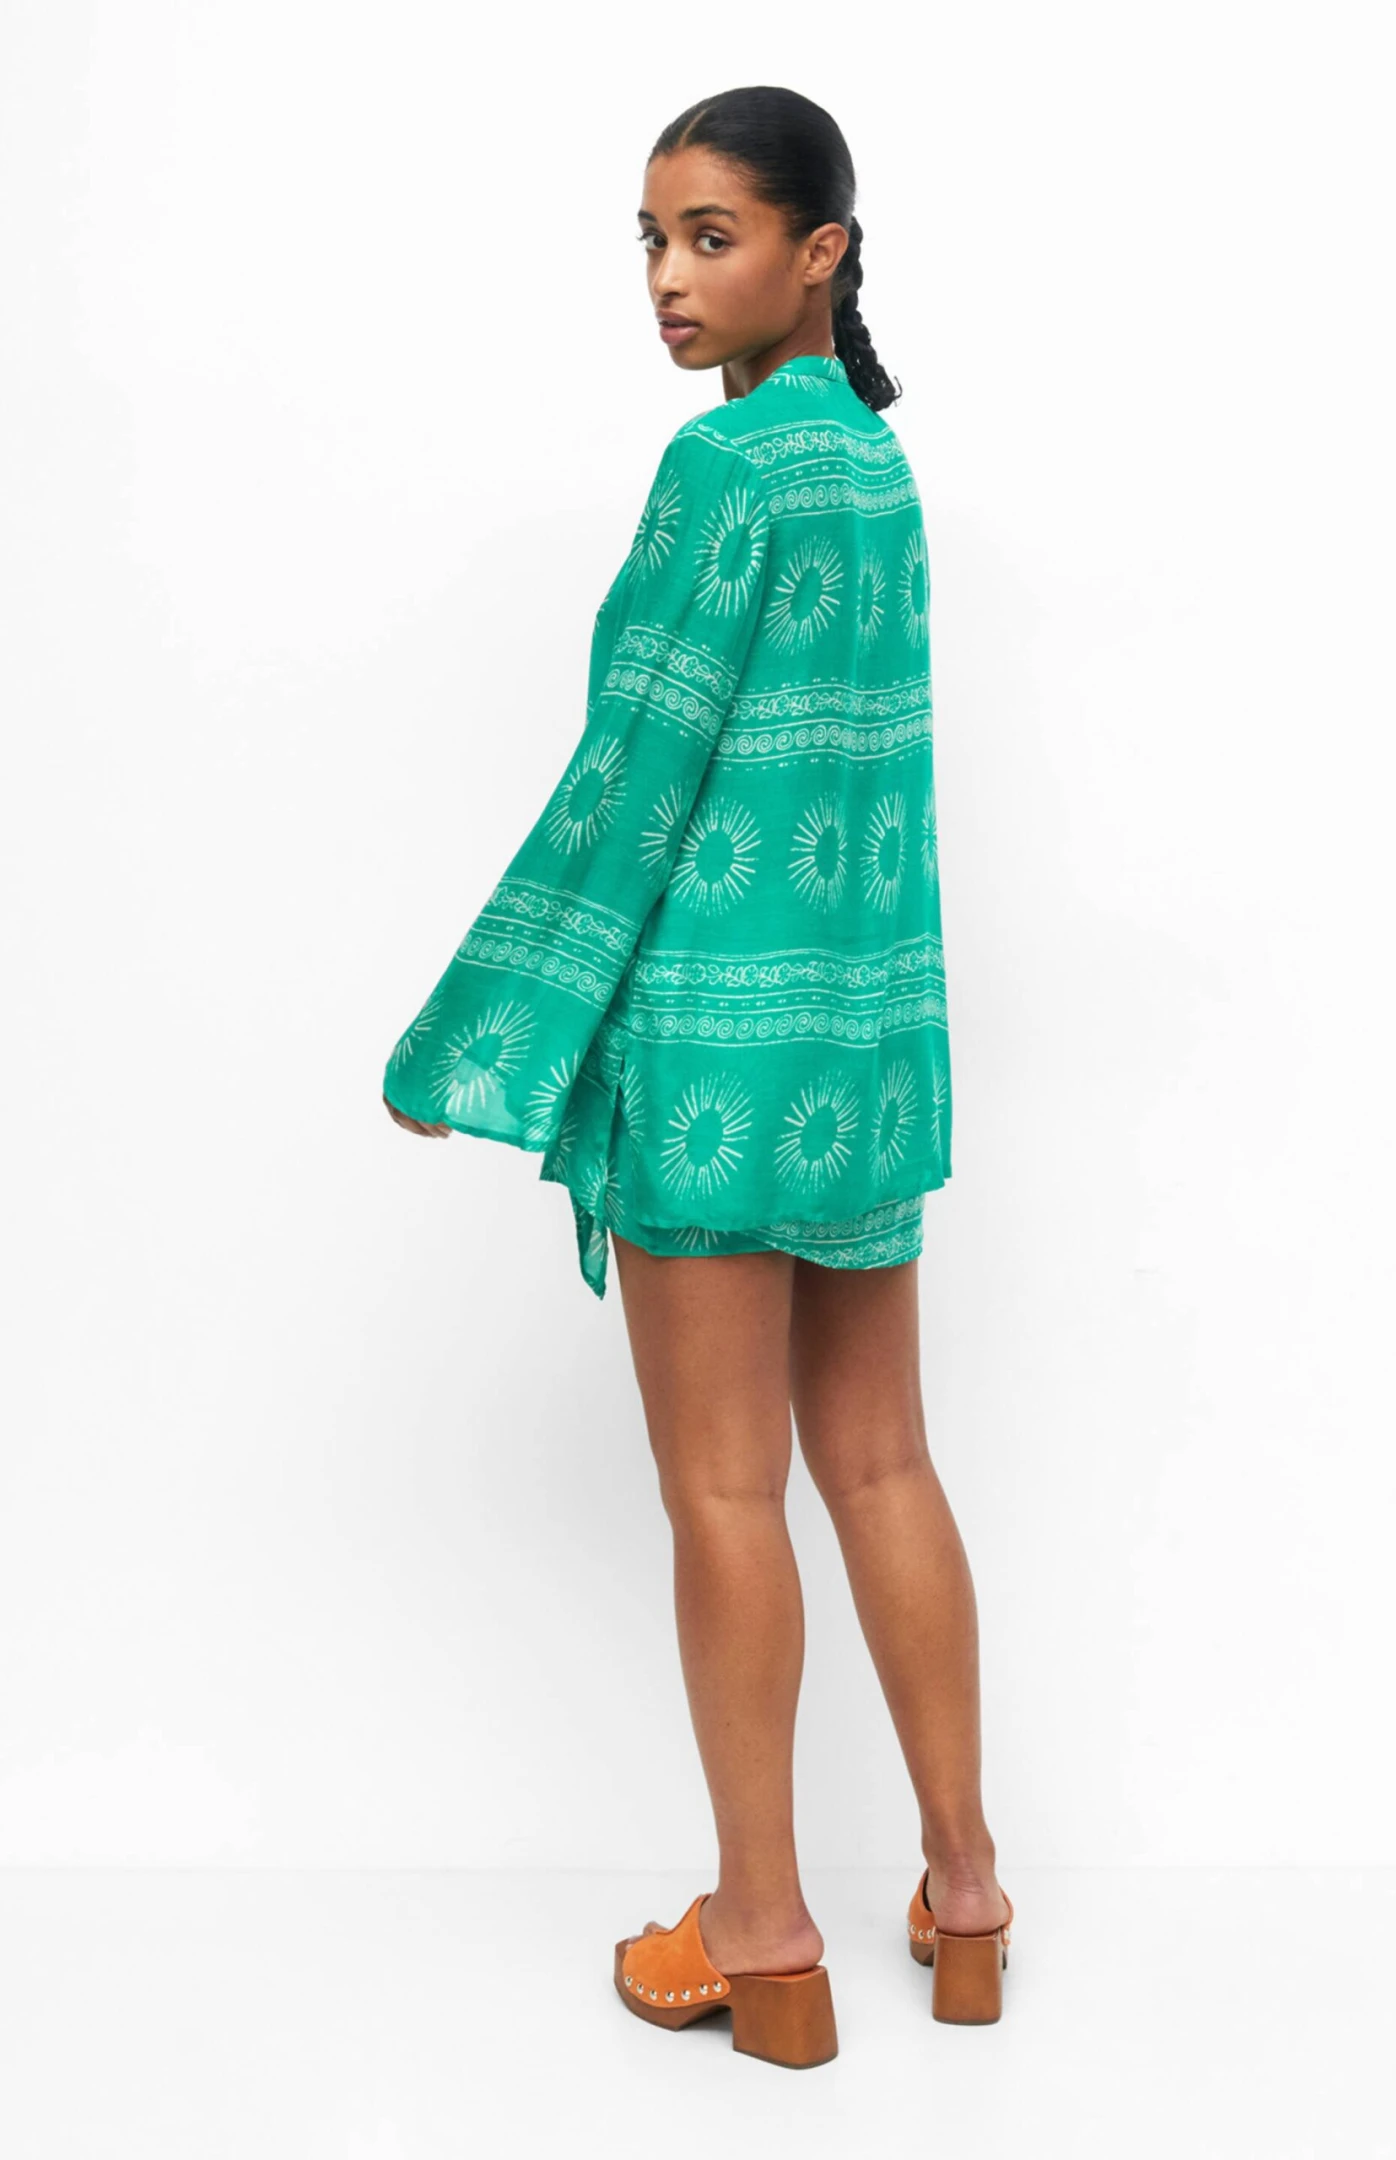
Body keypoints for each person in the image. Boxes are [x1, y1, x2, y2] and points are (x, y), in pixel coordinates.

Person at [382, 86, 1012, 2068]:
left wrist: (478, 1033)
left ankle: (761, 1937)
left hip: (721, 1059)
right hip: (865, 1049)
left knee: (727, 1488)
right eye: (651, 240)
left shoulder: (725, 469)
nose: (667, 277)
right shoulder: (876, 471)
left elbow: (630, 781)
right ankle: (967, 1895)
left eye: (711, 236)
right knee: (885, 1463)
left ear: (824, 252)